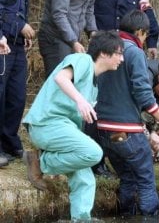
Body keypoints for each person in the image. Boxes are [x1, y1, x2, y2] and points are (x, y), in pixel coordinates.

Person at [95, 10, 159, 217]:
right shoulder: (134, 52)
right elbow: (142, 92)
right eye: (146, 35)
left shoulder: (101, 46)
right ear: (140, 32)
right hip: (126, 129)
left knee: (128, 177)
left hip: (102, 128)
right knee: (147, 179)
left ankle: (126, 217)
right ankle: (150, 218)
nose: (146, 40)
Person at [22, 31, 124, 221]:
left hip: (62, 130)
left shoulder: (94, 85)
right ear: (104, 53)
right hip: (46, 124)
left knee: (86, 179)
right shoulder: (82, 59)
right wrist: (80, 101)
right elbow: (60, 78)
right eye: (119, 53)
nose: (122, 58)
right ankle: (40, 162)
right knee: (93, 153)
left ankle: (81, 219)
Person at [0, 0, 35, 165]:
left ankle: (9, 142)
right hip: (2, 44)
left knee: (17, 97)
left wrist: (22, 28)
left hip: (16, 44)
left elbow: (17, 10)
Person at [38, 0, 98, 78]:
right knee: (58, 82)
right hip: (55, 38)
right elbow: (59, 14)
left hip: (71, 40)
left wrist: (92, 31)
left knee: (69, 81)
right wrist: (73, 41)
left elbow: (89, 10)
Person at [94, 0, 159, 59]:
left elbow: (148, 14)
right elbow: (87, 11)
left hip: (128, 49)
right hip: (102, 47)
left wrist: (152, 43)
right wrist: (91, 32)